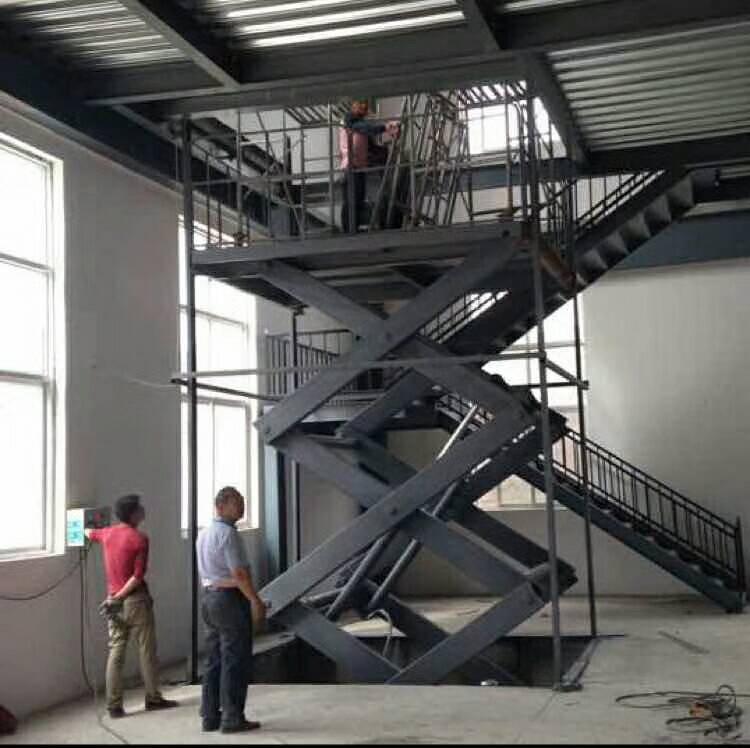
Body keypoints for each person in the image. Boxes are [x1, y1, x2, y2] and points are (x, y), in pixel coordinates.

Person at [86, 494, 177, 719]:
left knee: (116, 650)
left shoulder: (106, 534)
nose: (143, 510)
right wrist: (121, 597)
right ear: (134, 514)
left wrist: (86, 525)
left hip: (112, 602)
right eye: (140, 508)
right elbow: (137, 576)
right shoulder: (139, 539)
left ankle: (114, 705)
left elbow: (88, 532)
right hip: (135, 601)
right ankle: (153, 698)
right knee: (146, 651)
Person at [196, 486, 267, 734]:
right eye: (237, 502)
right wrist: (255, 600)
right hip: (229, 600)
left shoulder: (204, 534)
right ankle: (232, 718)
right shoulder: (228, 534)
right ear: (221, 506)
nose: (242, 507)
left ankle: (209, 716)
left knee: (214, 659)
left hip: (209, 599)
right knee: (234, 659)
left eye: (242, 501)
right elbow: (239, 573)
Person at [339, 98, 400, 232]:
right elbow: (367, 129)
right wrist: (386, 127)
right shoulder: (349, 120)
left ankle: (353, 229)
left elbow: (371, 147)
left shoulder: (361, 126)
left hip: (359, 169)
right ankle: (348, 231)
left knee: (358, 200)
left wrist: (389, 148)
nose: (363, 109)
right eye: (360, 105)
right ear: (353, 106)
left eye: (365, 107)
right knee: (351, 202)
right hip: (350, 169)